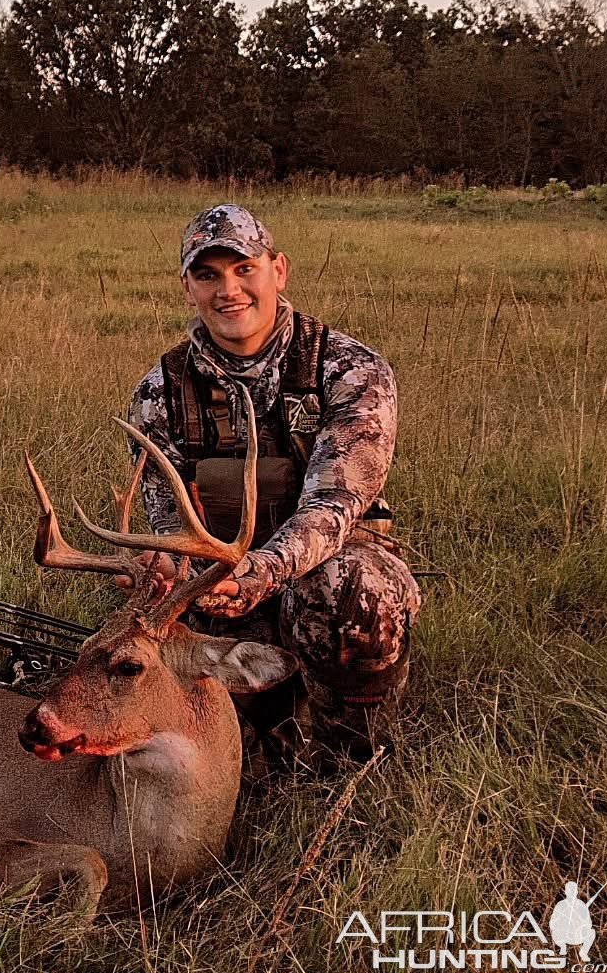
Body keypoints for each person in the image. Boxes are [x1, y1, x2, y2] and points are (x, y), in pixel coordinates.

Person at [123, 203, 421, 767]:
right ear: (187, 287)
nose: (228, 290)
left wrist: (262, 572)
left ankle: (348, 745)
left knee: (349, 587)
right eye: (207, 274)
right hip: (225, 585)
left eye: (243, 269)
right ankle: (255, 730)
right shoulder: (158, 393)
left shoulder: (350, 370)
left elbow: (336, 503)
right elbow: (168, 518)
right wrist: (171, 574)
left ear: (278, 271)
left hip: (321, 573)